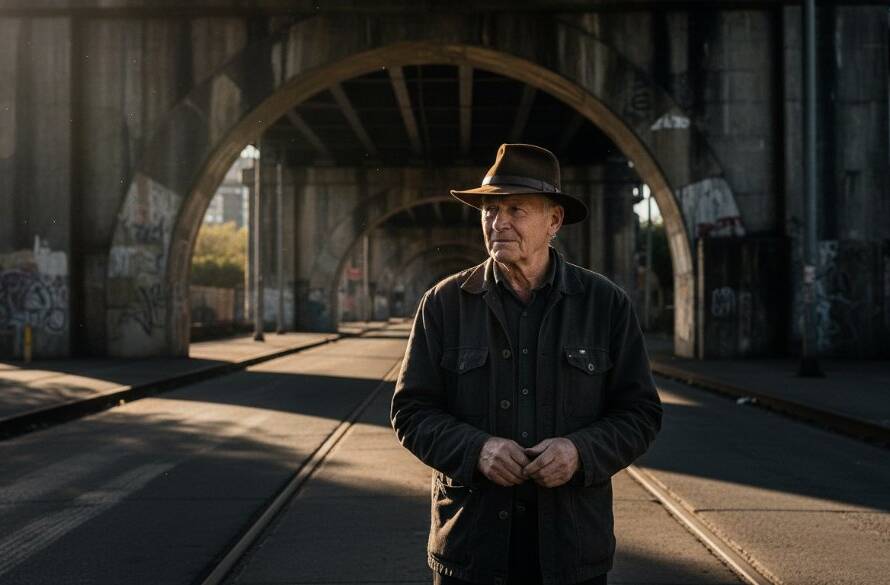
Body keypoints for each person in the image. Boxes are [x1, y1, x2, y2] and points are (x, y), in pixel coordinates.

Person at [390, 143, 663, 585]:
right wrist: (477, 450)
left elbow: (640, 413)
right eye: (489, 211)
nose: (498, 223)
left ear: (553, 221)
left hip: (570, 549)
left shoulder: (605, 304)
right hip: (471, 549)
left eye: (516, 209)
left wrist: (580, 452)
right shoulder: (443, 304)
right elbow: (411, 412)